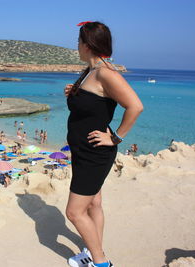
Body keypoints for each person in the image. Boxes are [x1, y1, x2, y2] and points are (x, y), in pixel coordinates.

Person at [64, 21, 143, 267]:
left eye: (78, 42)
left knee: (74, 212)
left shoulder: (106, 72)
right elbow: (96, 102)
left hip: (93, 154)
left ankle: (100, 262)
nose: (76, 46)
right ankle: (93, 249)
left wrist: (116, 136)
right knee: (94, 202)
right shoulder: (91, 70)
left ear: (87, 45)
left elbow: (135, 106)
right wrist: (75, 93)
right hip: (83, 151)